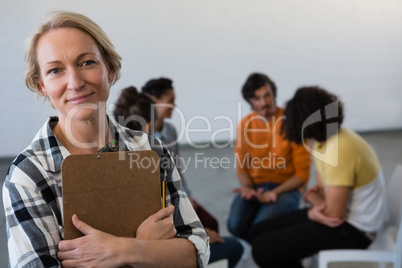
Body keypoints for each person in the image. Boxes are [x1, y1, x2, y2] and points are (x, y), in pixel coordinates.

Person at [2, 11, 209, 268]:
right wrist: (150, 249)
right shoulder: (27, 176)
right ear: (42, 85)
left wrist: (126, 250)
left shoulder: (150, 149)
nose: (75, 82)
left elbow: (197, 250)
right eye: (55, 70)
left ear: (110, 69)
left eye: (87, 63)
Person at [251, 86, 387, 268]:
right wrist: (311, 199)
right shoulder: (326, 141)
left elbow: (332, 215)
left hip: (356, 231)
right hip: (343, 218)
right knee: (258, 231)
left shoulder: (338, 151)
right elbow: (321, 195)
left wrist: (311, 204)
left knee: (262, 250)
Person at [137, 77, 243, 268]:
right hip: (161, 201)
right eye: (170, 100)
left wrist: (187, 196)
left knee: (211, 221)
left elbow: (176, 169)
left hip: (175, 193)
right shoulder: (140, 135)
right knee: (204, 228)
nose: (174, 106)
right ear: (154, 100)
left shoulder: (170, 130)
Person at [227, 73, 311, 241]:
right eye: (257, 98)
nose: (263, 102)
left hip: (286, 187)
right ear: (250, 101)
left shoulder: (293, 121)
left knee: (261, 227)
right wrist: (248, 188)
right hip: (256, 186)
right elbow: (242, 168)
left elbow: (302, 175)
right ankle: (271, 249)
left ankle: (270, 250)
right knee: (234, 224)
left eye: (267, 96)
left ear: (274, 94)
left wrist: (274, 192)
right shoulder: (245, 125)